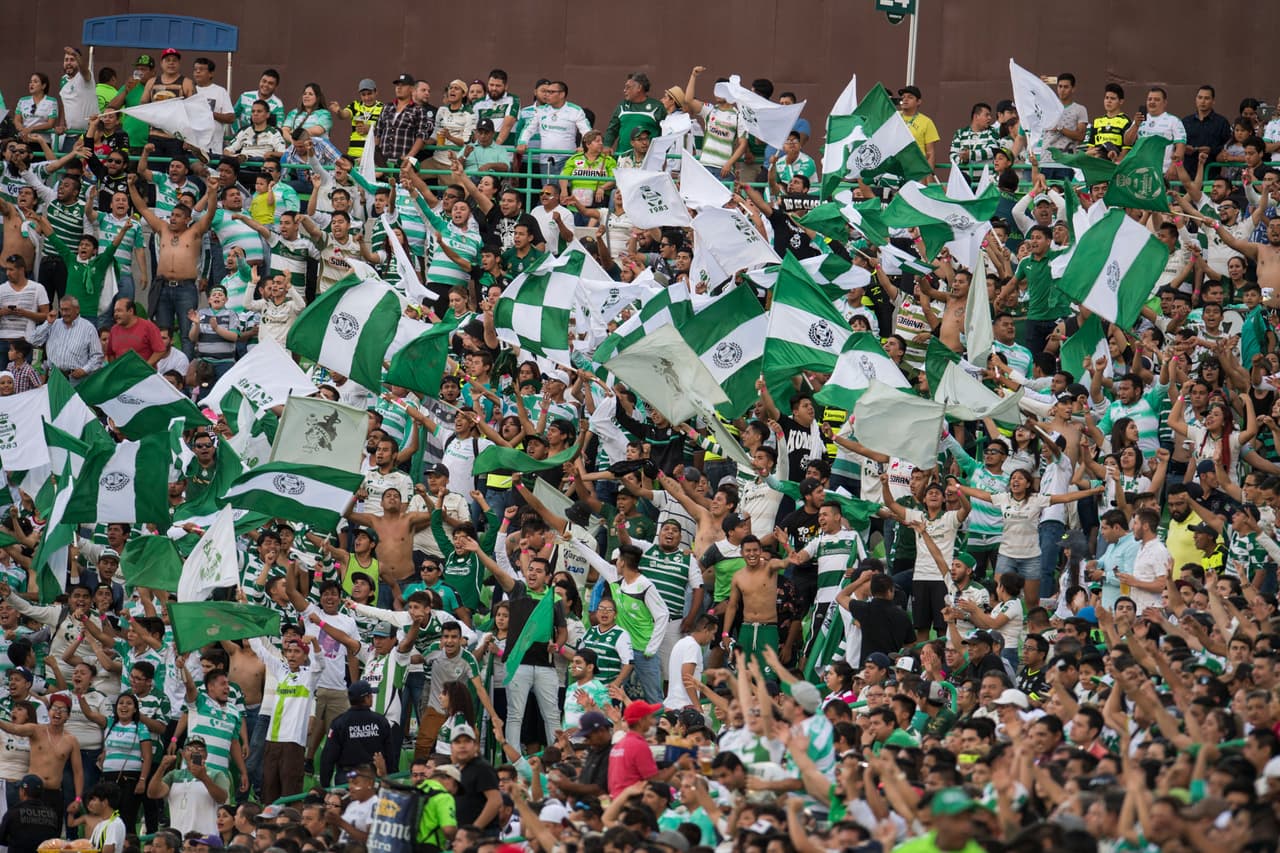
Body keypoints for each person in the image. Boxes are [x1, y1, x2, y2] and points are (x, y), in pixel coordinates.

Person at [145, 737, 229, 836]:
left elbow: (222, 798)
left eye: (200, 749)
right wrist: (162, 768)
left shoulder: (216, 774)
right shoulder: (174, 775)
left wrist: (204, 778)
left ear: (206, 755)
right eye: (191, 748)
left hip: (206, 838)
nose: (195, 751)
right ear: (184, 754)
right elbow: (153, 793)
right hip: (178, 838)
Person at [0, 774, 62, 853]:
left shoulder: (13, 813)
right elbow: (55, 840)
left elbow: (1, 839)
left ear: (22, 792)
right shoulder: (53, 815)